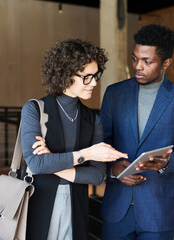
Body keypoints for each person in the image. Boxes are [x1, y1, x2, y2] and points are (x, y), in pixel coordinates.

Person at [21, 39, 128, 240]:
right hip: (39, 203)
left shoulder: (92, 119)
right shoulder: (34, 109)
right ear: (64, 75)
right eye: (87, 77)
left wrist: (51, 161)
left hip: (76, 206)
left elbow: (97, 176)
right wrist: (86, 154)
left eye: (96, 76)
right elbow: (35, 163)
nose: (94, 83)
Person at [100, 24, 174, 239]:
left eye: (147, 61)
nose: (138, 66)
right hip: (116, 208)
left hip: (159, 212)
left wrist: (167, 163)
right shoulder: (114, 94)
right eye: (135, 58)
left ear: (166, 63)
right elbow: (102, 141)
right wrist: (114, 169)